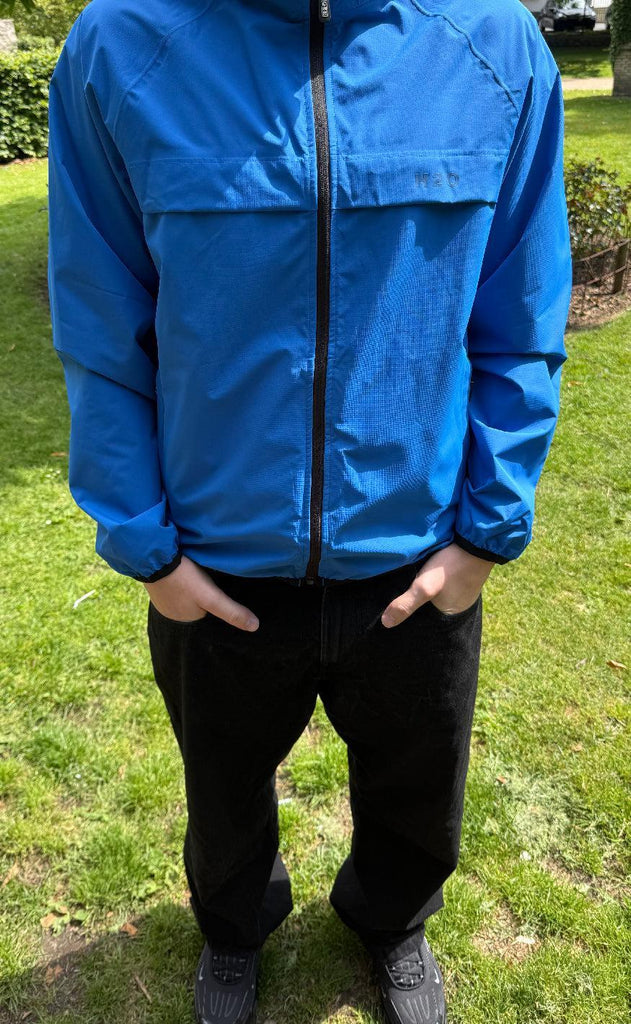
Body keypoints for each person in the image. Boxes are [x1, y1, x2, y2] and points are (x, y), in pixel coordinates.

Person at [46, 0, 573, 1021]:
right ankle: (234, 928)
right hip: (213, 565)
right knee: (222, 789)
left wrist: (483, 534)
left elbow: (522, 313)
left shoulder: (493, 42)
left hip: (417, 560)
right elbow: (100, 320)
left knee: (419, 785)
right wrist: (149, 551)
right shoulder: (120, 44)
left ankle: (392, 921)